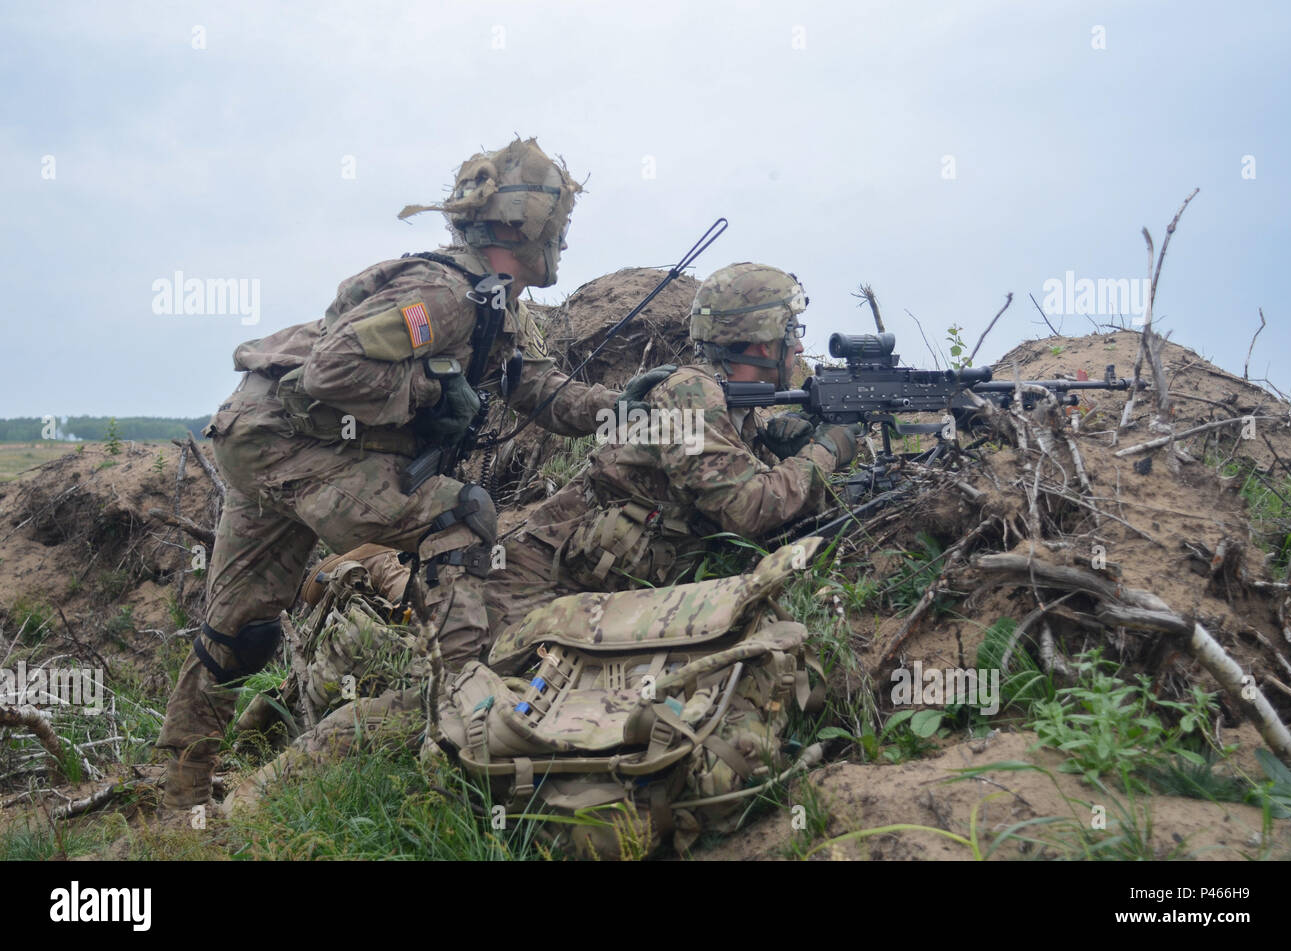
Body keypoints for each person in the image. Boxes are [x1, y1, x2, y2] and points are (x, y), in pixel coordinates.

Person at [157, 138, 667, 809]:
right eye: (558, 228)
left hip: (263, 438)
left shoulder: (495, 304)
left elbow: (537, 388)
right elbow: (330, 369)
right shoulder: (445, 294)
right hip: (285, 443)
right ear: (525, 228)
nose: (564, 243)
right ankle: (465, 737)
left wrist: (618, 408)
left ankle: (170, 797)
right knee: (456, 516)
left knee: (239, 633)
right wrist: (431, 390)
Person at [326, 262, 861, 645]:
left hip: (586, 579)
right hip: (539, 577)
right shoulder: (691, 393)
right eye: (791, 330)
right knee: (440, 652)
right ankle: (357, 569)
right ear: (764, 340)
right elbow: (748, 508)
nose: (797, 345)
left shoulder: (729, 406)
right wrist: (827, 449)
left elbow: (730, 474)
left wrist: (781, 441)